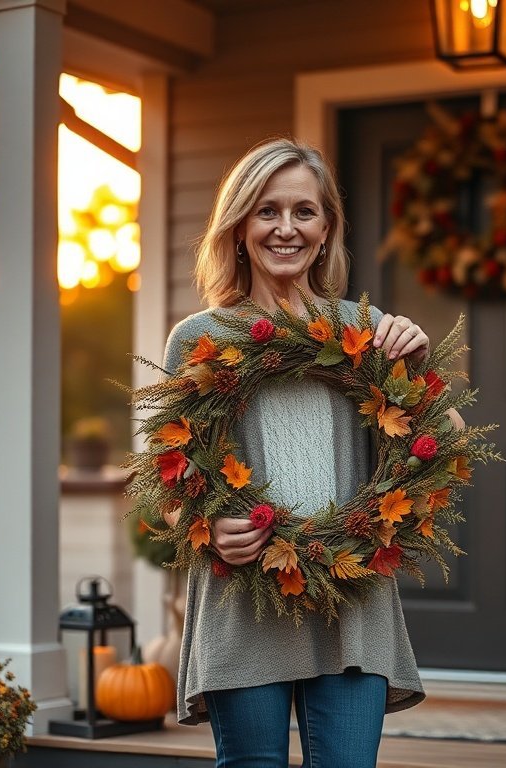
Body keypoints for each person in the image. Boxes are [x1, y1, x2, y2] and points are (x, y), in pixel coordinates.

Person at [164, 137, 433, 768]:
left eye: (304, 212)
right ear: (238, 228)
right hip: (244, 600)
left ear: (326, 229)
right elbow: (170, 486)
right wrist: (208, 528)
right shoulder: (200, 339)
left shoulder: (363, 335)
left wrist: (419, 364)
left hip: (352, 600)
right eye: (267, 211)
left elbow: (441, 443)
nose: (286, 228)